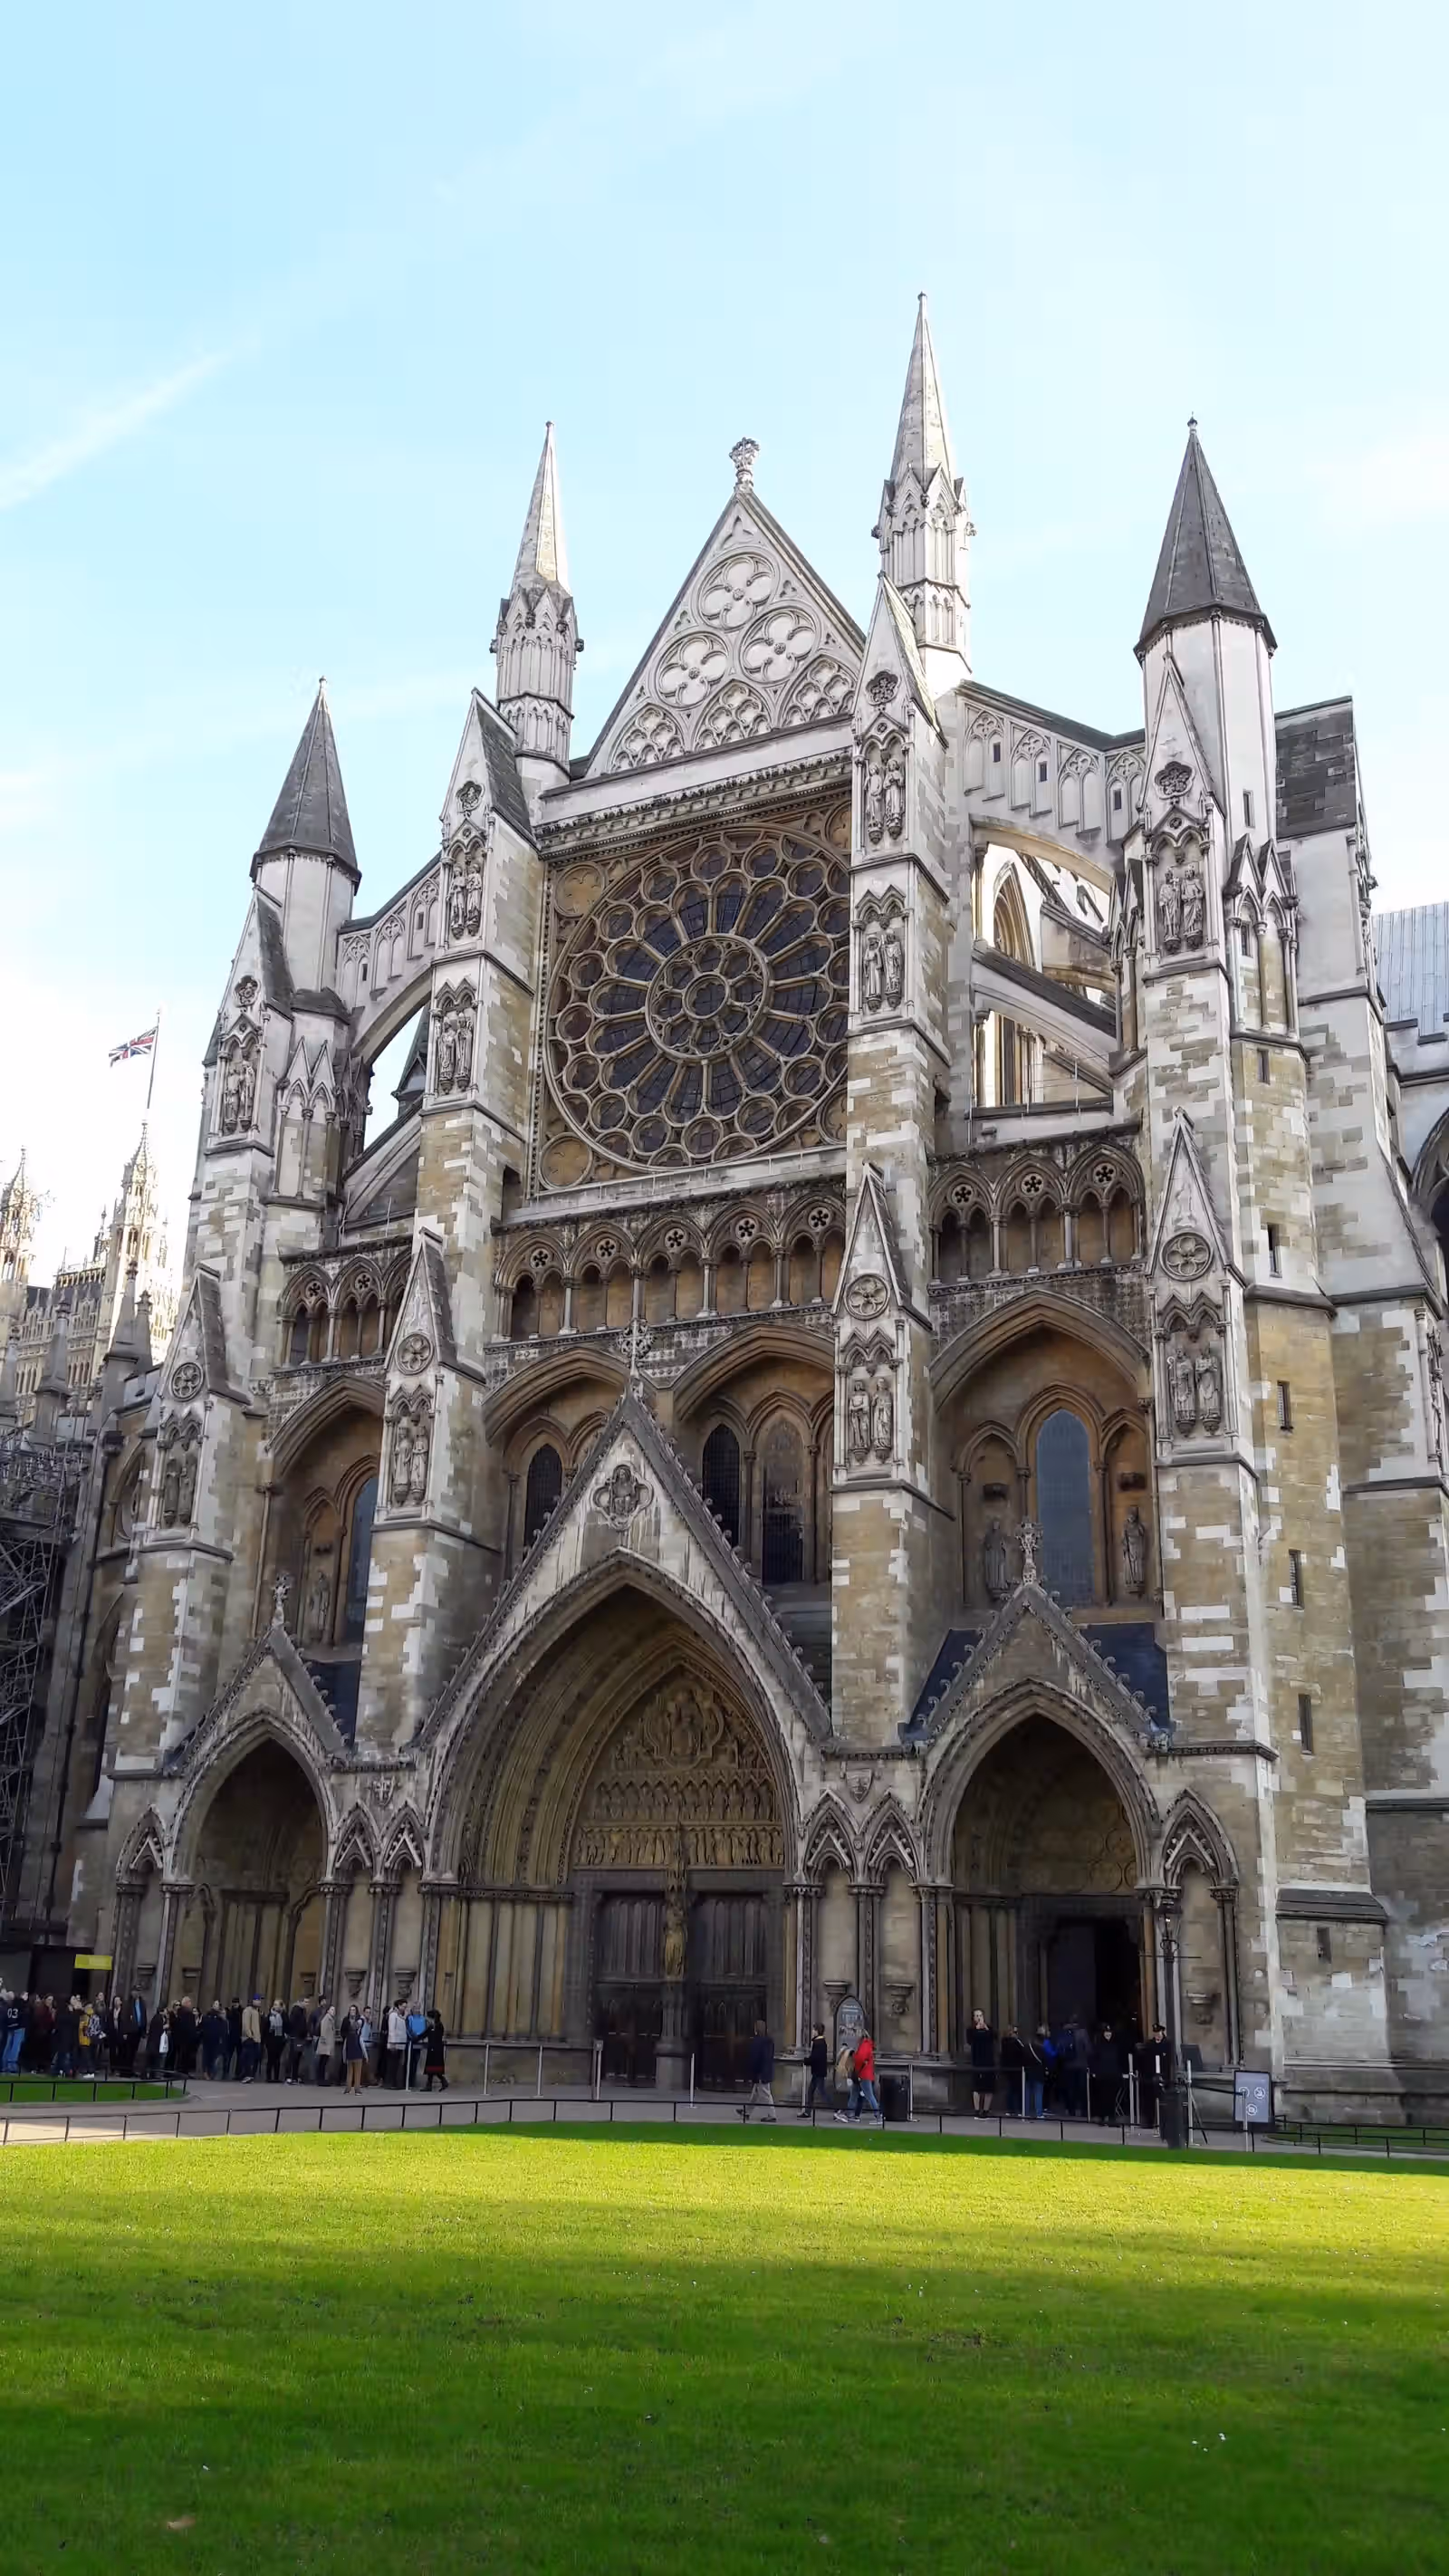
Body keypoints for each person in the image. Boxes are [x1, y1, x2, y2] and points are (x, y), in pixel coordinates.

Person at [744, 2018, 777, 2120]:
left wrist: (757, 2074)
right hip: (765, 2071)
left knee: (766, 2094)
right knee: (756, 2093)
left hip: (761, 2073)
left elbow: (756, 2059)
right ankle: (747, 2112)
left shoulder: (758, 2042)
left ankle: (772, 2115)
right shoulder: (768, 2041)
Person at [846, 2025, 880, 2123]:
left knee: (869, 2095)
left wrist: (854, 2057)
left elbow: (860, 2058)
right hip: (860, 2074)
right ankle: (850, 2114)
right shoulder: (864, 2044)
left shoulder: (865, 2044)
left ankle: (878, 2116)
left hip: (863, 2074)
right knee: (854, 2094)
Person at [1094, 2022, 1125, 2123]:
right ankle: (1102, 2118)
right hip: (1102, 2075)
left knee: (1112, 2098)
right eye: (1106, 2032)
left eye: (1109, 2032)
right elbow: (1095, 2060)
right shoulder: (1099, 2045)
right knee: (1103, 2097)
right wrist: (1096, 2072)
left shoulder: (1116, 2045)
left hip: (1113, 2075)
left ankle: (1112, 2118)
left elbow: (1120, 2060)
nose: (1108, 2034)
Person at [967, 2008, 995, 2116]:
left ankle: (986, 2110)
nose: (979, 2018)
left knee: (989, 2088)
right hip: (977, 2061)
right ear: (974, 2018)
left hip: (988, 2061)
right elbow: (969, 2040)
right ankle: (977, 2110)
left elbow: (994, 2037)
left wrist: (987, 2029)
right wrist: (976, 2029)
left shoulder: (989, 2029)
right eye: (977, 2016)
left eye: (981, 2015)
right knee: (976, 2087)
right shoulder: (971, 2030)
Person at [801, 2023, 830, 2118]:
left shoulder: (819, 2043)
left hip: (818, 2072)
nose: (812, 2032)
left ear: (817, 2031)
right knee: (811, 2091)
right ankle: (807, 2112)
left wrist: (806, 2061)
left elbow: (815, 2058)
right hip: (818, 2071)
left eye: (813, 2030)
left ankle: (837, 2110)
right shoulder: (820, 2042)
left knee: (822, 2093)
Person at [1000, 2023, 1029, 2118]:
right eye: (1015, 2032)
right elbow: (1022, 2052)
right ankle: (1017, 2109)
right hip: (1014, 2068)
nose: (1017, 2034)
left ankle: (1013, 2109)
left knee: (1013, 2090)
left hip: (1011, 2068)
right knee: (1015, 2090)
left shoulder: (1006, 2042)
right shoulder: (1012, 2042)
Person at [385, 1998, 408, 2090]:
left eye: (405, 2007)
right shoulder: (393, 2015)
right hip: (394, 2043)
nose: (405, 2008)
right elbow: (392, 2029)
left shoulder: (402, 2016)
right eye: (403, 2006)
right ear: (399, 2006)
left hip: (401, 2043)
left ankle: (396, 2083)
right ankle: (390, 2083)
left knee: (398, 2064)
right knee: (392, 2064)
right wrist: (392, 2042)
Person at [200, 2000, 227, 2081]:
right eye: (215, 2004)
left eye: (218, 2004)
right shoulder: (206, 2016)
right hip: (207, 2040)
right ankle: (205, 2072)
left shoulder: (220, 2019)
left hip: (216, 2041)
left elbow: (223, 2031)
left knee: (213, 2057)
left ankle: (210, 2072)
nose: (216, 2005)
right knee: (206, 2057)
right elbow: (202, 2027)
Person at [422, 2010, 448, 2092]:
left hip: (436, 2049)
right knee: (431, 2068)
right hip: (432, 2049)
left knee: (435, 2068)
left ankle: (443, 2081)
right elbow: (424, 2034)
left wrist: (433, 2047)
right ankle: (430, 2085)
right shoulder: (431, 2026)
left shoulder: (439, 2026)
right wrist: (414, 2039)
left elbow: (436, 2038)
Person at [342, 2008, 367, 2093]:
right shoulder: (347, 2021)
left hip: (354, 2050)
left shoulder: (359, 2021)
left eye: (353, 2010)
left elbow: (356, 2026)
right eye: (351, 2010)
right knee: (353, 2072)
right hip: (353, 2049)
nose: (352, 2011)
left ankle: (353, 2089)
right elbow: (361, 2043)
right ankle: (352, 2089)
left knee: (354, 2072)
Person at [285, 1999, 308, 2083]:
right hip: (295, 2037)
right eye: (305, 2002)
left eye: (308, 2002)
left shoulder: (303, 2011)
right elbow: (292, 2023)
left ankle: (294, 2076)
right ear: (300, 2002)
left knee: (297, 2057)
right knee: (292, 2057)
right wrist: (294, 2033)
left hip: (301, 2037)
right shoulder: (296, 2010)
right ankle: (288, 2076)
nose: (307, 2004)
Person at [240, 1996, 263, 2082]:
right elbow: (246, 2024)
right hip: (249, 2038)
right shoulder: (247, 2011)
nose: (259, 2002)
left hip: (256, 2039)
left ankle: (250, 2075)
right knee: (247, 2057)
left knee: (254, 2058)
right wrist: (250, 2035)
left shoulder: (257, 2012)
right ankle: (247, 2075)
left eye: (260, 2000)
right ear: (253, 2001)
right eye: (258, 2000)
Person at [264, 1999, 286, 2083]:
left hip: (279, 2040)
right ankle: (268, 2077)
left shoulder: (283, 2015)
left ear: (281, 2006)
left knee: (277, 2059)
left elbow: (287, 2025)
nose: (275, 2006)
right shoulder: (270, 2015)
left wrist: (283, 2012)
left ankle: (276, 2077)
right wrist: (265, 2040)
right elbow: (265, 2028)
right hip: (270, 2040)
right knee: (270, 2059)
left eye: (277, 2005)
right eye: (274, 2004)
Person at [316, 1998, 336, 2088]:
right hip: (325, 2044)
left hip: (327, 2044)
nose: (333, 2011)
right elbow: (323, 2030)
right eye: (332, 2009)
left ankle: (321, 2079)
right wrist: (324, 2040)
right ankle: (321, 2080)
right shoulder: (327, 2018)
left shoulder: (331, 2019)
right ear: (328, 2010)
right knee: (322, 2062)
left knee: (323, 2063)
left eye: (334, 2010)